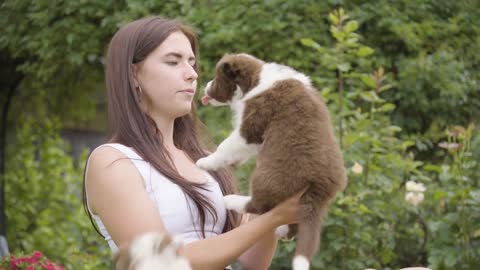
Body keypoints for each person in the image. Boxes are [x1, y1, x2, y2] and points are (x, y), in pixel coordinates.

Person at [83, 16, 305, 270]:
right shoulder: (113, 161)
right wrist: (274, 218)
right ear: (134, 74)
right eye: (173, 62)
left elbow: (253, 261)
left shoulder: (204, 161)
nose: (192, 74)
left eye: (191, 62)